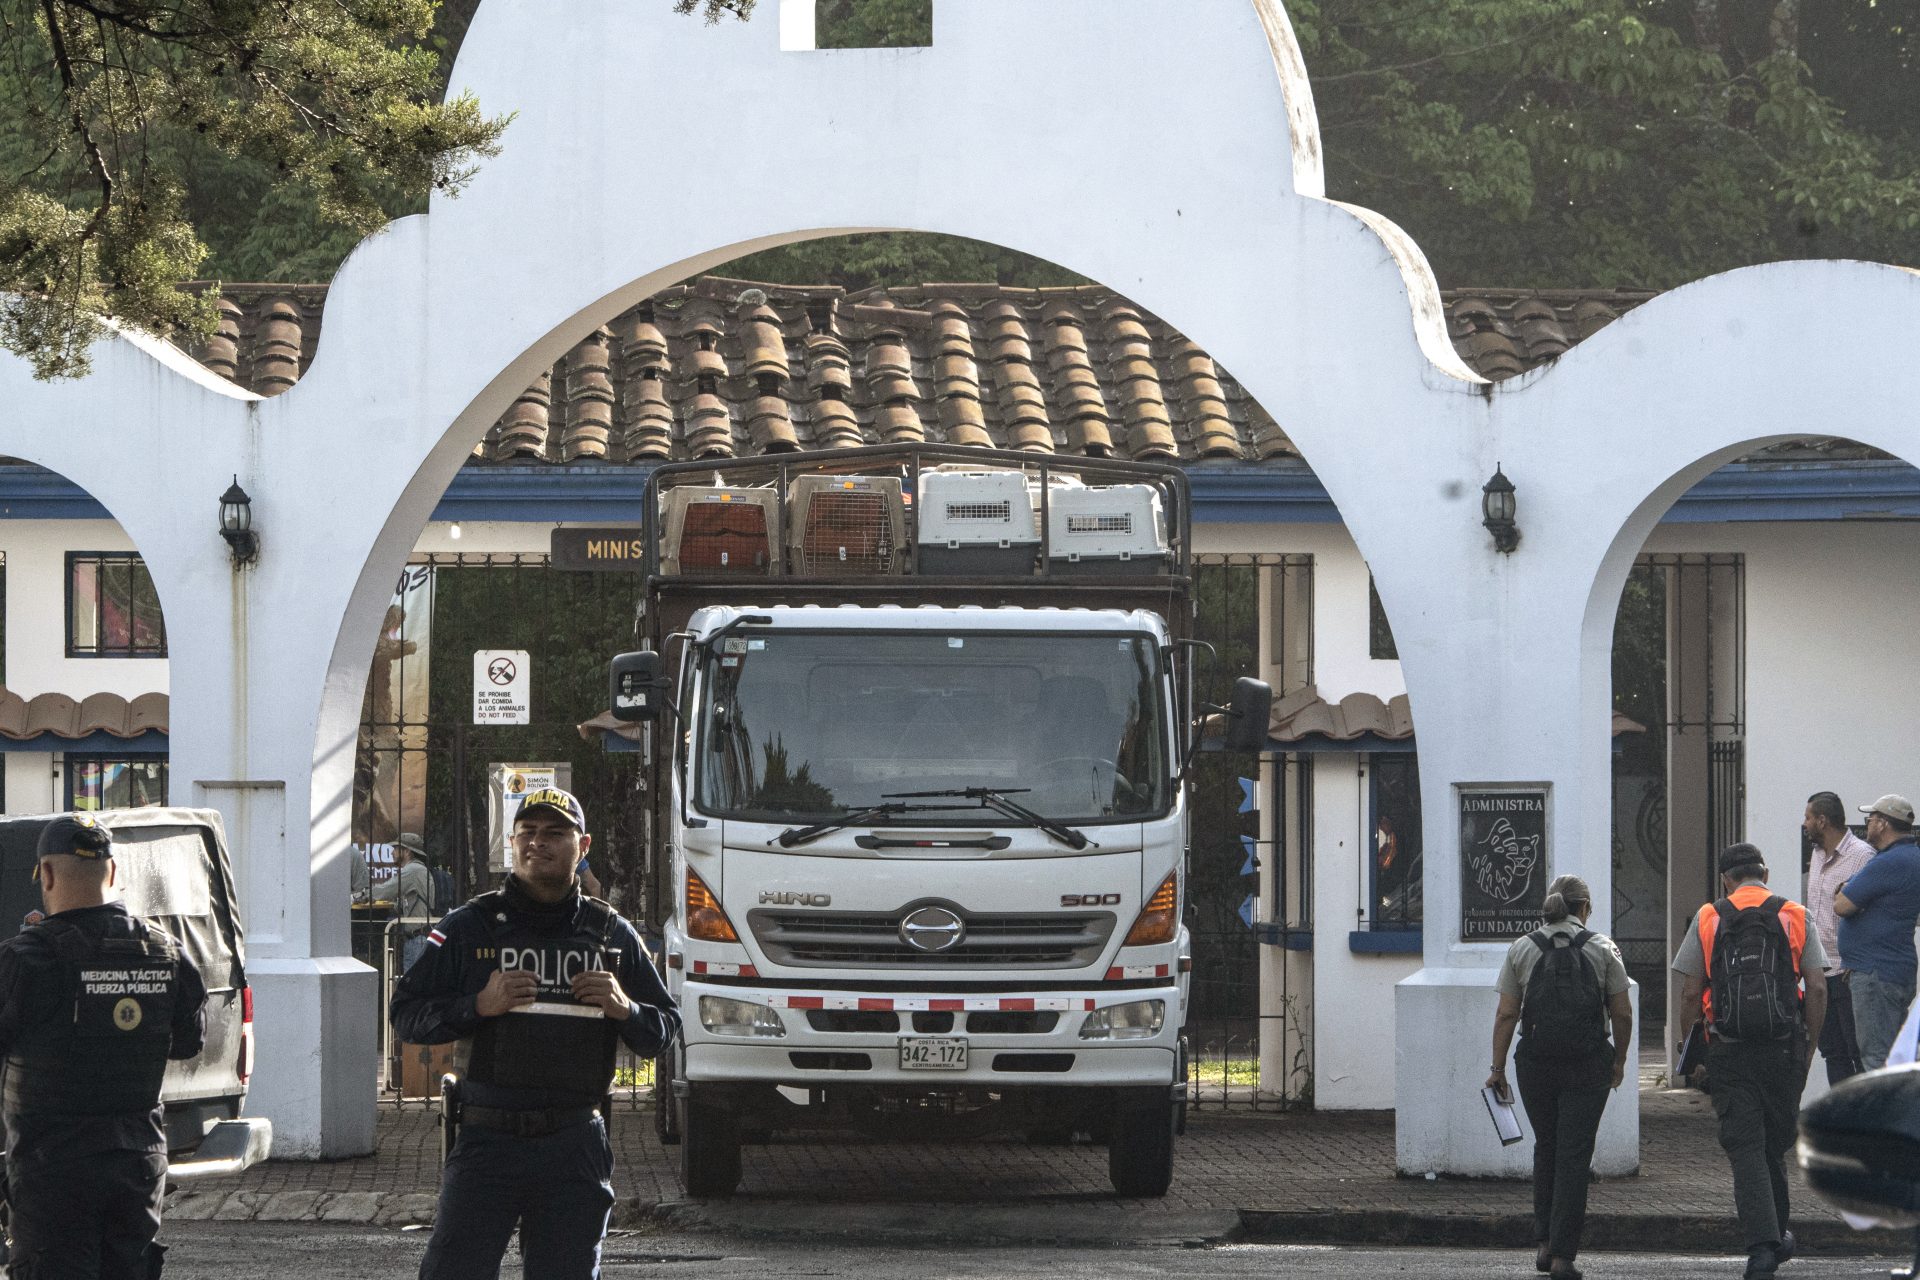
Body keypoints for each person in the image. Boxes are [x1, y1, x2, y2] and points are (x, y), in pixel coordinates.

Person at [391, 787, 679, 1280]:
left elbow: (664, 1030)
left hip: (574, 1144)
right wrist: (477, 1005)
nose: (537, 844)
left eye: (554, 833)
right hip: (488, 1140)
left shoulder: (611, 934)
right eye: (527, 833)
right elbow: (406, 1013)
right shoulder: (471, 926)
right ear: (512, 842)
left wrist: (625, 1008)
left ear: (581, 846)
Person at [0, 815, 208, 1279]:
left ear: (46, 875)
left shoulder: (23, 958)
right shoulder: (168, 951)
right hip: (138, 1164)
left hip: (53, 1169)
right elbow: (189, 1042)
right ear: (112, 874)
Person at [1672, 843, 1827, 1280]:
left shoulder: (1709, 917)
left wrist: (1694, 1052)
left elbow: (1689, 992)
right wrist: (1808, 1049)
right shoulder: (1795, 914)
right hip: (1782, 1051)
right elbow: (1816, 988)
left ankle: (1763, 1246)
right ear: (1766, 872)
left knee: (1746, 1148)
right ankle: (1777, 1234)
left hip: (1729, 1051)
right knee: (1771, 1144)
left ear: (1726, 879)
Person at [1485, 874, 1633, 1280]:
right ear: (1584, 907)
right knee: (1574, 1153)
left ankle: (1544, 1243)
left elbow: (1506, 1014)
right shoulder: (1603, 948)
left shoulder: (1522, 948)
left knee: (1546, 1146)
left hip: (1535, 1062)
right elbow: (1621, 1012)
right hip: (1589, 1063)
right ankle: (1564, 1257)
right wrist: (1618, 1061)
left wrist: (1497, 1070)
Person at [1835, 794, 1920, 1071]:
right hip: (1893, 969)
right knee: (1897, 1058)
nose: (1867, 824)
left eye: (1869, 819)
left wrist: (1847, 888)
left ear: (1883, 824)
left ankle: (1886, 1115)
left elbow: (1842, 904)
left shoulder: (1888, 862)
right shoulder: (1912, 858)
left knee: (1876, 1060)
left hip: (1876, 974)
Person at [1802, 791, 1874, 1083]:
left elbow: (1868, 911)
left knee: (1856, 1050)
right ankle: (1840, 1120)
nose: (1804, 823)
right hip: (1820, 972)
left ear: (1822, 820)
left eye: (1808, 817)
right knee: (1832, 1050)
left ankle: (1862, 1122)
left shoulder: (1862, 856)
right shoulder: (1817, 853)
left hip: (1846, 971)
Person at [373, 831, 436, 972]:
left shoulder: (413, 870)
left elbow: (385, 890)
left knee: (414, 986)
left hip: (419, 938)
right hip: (416, 938)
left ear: (406, 851)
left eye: (395, 849)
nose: (392, 853)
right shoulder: (415, 870)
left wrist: (362, 894)